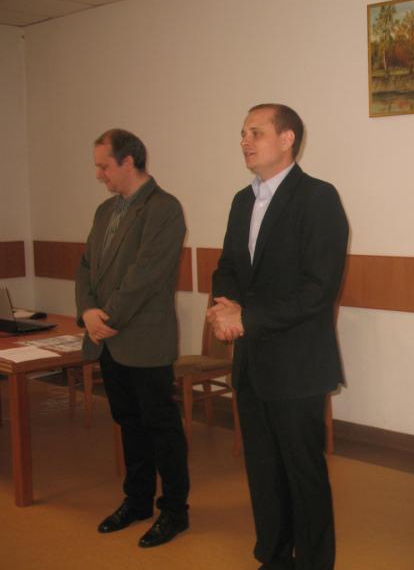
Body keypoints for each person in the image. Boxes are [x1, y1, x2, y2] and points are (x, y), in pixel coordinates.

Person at [207, 104, 348, 570]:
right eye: (242, 133)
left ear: (287, 139)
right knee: (263, 471)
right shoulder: (241, 201)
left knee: (304, 475)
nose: (245, 141)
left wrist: (246, 317)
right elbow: (228, 267)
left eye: (256, 132)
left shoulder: (318, 198)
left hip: (297, 365)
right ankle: (273, 557)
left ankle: (314, 562)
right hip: (252, 364)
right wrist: (224, 309)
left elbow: (318, 289)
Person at [75, 128, 190, 547]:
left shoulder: (164, 208)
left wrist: (105, 318)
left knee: (162, 427)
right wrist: (88, 312)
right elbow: (86, 267)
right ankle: (138, 500)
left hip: (143, 339)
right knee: (128, 424)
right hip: (108, 338)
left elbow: (146, 276)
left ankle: (174, 511)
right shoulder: (105, 211)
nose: (99, 175)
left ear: (128, 161)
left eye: (104, 166)